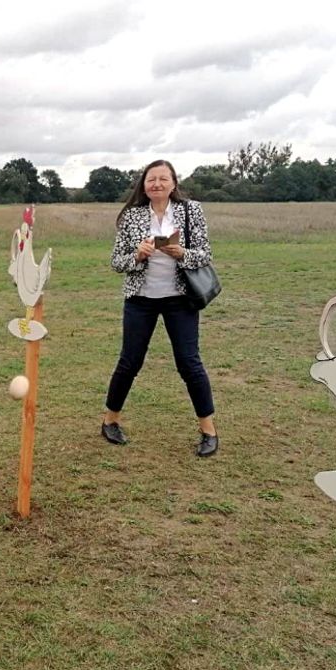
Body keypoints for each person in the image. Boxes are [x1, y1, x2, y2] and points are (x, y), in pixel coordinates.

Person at [100, 159, 218, 456]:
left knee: (189, 362)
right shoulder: (131, 216)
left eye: (163, 179)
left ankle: (208, 430)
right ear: (144, 185)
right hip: (141, 299)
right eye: (151, 179)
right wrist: (137, 256)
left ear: (173, 183)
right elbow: (117, 262)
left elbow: (205, 254)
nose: (157, 184)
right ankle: (110, 421)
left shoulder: (191, 210)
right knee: (130, 361)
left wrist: (182, 254)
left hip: (181, 299)